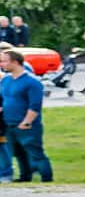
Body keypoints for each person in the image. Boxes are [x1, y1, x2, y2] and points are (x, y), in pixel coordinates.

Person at [1, 49, 52, 182]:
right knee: (18, 154)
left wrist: (27, 122)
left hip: (27, 125)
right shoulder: (6, 80)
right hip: (9, 123)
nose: (2, 64)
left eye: (5, 61)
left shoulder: (32, 82)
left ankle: (47, 179)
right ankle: (25, 177)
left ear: (15, 62)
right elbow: (4, 99)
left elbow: (34, 105)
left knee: (35, 153)